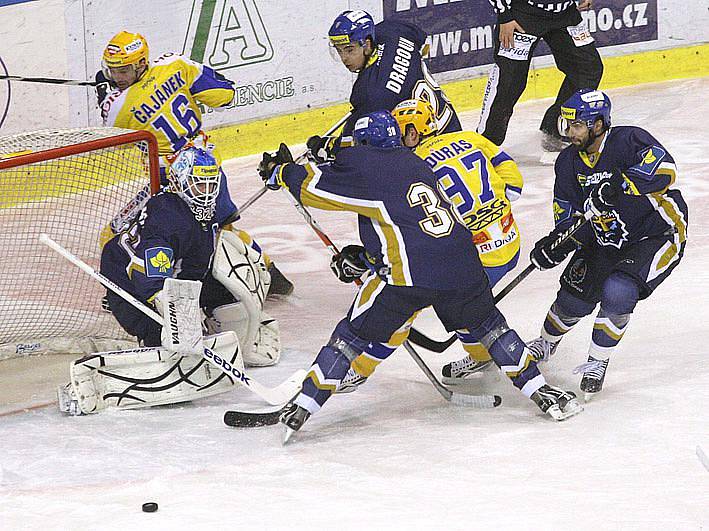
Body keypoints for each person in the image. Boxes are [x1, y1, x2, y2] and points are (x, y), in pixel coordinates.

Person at [258, 110, 583, 442]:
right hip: (463, 263)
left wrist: (283, 172)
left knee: (352, 335)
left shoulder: (366, 166)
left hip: (409, 278)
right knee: (491, 328)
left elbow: (313, 189)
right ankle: (542, 392)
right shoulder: (415, 161)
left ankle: (304, 405)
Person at [337, 98, 525, 391]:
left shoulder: (413, 166)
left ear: (412, 133)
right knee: (462, 307)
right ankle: (480, 354)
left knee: (404, 301)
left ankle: (359, 368)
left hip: (474, 260)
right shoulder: (469, 137)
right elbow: (513, 181)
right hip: (510, 243)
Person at [99, 30, 293, 295]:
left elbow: (117, 139)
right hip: (206, 168)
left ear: (141, 63)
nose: (117, 77)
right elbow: (225, 94)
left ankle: (128, 295)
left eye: (122, 70)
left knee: (113, 235)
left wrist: (104, 93)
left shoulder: (118, 105)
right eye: (112, 71)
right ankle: (268, 273)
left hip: (169, 181)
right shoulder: (174, 64)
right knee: (219, 229)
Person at [527, 89, 688, 399]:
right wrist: (557, 243)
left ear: (598, 125)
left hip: (654, 235)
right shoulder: (567, 162)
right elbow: (568, 214)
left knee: (618, 290)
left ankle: (597, 362)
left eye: (576, 126)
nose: (569, 132)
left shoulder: (630, 141)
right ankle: (546, 344)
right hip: (606, 237)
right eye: (567, 125)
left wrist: (619, 185)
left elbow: (666, 172)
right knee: (572, 299)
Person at [100, 146, 280, 368]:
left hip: (170, 271)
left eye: (211, 184)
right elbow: (148, 274)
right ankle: (155, 344)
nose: (206, 192)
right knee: (161, 335)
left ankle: (224, 330)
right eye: (199, 184)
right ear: (180, 183)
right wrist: (176, 315)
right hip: (128, 282)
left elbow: (200, 260)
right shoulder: (167, 215)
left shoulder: (206, 210)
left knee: (226, 293)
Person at [307, 10, 461, 162]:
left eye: (349, 50)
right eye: (339, 51)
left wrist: (324, 147)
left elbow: (351, 144)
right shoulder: (392, 30)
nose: (344, 58)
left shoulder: (369, 93)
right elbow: (424, 43)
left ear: (367, 44)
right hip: (457, 137)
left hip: (430, 157)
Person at [477, 0, 603, 151]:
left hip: (565, 14)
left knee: (588, 68)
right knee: (509, 82)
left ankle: (555, 130)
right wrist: (504, 16)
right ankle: (485, 143)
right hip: (523, 15)